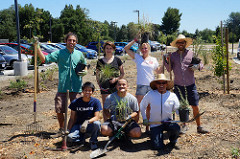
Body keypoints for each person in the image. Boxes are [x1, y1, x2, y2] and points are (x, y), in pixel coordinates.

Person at [36, 32, 87, 137]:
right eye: (69, 40)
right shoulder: (59, 53)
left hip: (77, 87)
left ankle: (72, 129)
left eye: (73, 40)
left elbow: (85, 65)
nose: (71, 42)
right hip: (63, 87)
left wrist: (85, 71)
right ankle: (62, 129)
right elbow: (44, 59)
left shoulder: (79, 54)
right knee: (59, 109)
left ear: (76, 42)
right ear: (66, 41)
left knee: (77, 109)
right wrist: (37, 48)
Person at [163, 34, 208, 134]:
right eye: (178, 42)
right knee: (182, 107)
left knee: (195, 106)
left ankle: (199, 126)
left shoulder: (191, 53)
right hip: (178, 86)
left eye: (182, 42)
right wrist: (166, 61)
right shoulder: (173, 56)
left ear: (185, 43)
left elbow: (201, 64)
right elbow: (169, 69)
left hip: (191, 85)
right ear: (176, 44)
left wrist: (197, 66)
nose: (180, 44)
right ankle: (184, 125)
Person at [124, 34, 162, 132]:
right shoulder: (137, 57)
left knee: (149, 107)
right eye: (142, 48)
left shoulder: (153, 60)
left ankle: (148, 128)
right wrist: (135, 40)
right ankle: (136, 127)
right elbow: (126, 48)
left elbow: (158, 71)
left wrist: (166, 62)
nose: (144, 50)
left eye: (146, 48)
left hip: (151, 86)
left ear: (149, 49)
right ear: (140, 49)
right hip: (141, 86)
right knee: (138, 107)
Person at [140, 74, 180, 150]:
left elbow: (177, 109)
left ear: (166, 84)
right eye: (159, 83)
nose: (161, 85)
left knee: (176, 128)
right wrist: (145, 118)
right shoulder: (150, 94)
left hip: (168, 122)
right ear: (155, 84)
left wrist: (183, 113)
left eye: (163, 83)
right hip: (155, 124)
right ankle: (155, 138)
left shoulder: (172, 95)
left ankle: (173, 141)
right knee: (158, 147)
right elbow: (142, 106)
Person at [67, 82, 102, 150]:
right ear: (82, 91)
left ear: (92, 92)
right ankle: (82, 138)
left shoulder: (96, 102)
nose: (87, 92)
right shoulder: (75, 102)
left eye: (89, 91)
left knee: (97, 123)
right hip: (78, 125)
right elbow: (72, 118)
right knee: (70, 137)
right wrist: (68, 129)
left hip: (90, 124)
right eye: (85, 90)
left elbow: (97, 117)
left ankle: (93, 141)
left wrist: (87, 122)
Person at [96, 41, 124, 116]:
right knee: (106, 108)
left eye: (110, 48)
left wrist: (116, 79)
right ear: (104, 49)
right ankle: (107, 124)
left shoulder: (117, 60)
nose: (108, 50)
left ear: (113, 49)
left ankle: (116, 123)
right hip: (105, 87)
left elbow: (122, 73)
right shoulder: (100, 61)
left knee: (117, 106)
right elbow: (97, 74)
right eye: (107, 48)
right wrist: (100, 84)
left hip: (116, 86)